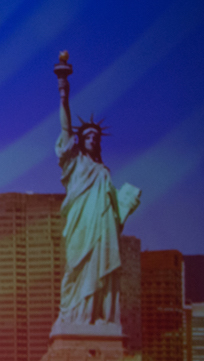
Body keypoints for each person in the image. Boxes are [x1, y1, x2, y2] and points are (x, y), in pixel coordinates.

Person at [53, 60, 139, 330]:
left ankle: (97, 316)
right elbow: (66, 129)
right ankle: (76, 316)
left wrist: (126, 204)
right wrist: (63, 92)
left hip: (102, 228)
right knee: (76, 269)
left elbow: (115, 210)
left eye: (95, 136)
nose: (91, 138)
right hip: (80, 225)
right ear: (81, 140)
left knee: (101, 265)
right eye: (87, 135)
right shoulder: (75, 161)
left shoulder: (103, 171)